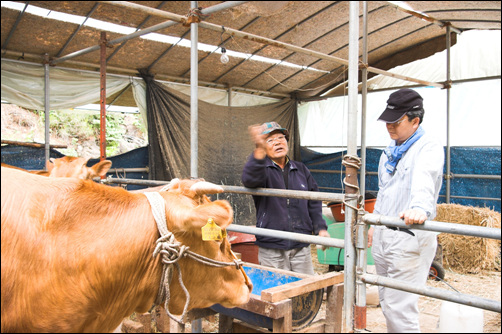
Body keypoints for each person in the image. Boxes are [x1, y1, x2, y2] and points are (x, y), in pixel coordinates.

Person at [368, 88, 445, 333]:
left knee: (401, 308)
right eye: (387, 120)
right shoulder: (389, 151)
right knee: (388, 303)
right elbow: (383, 190)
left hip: (408, 235)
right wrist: (373, 225)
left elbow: (425, 178)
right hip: (384, 234)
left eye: (396, 121)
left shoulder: (428, 148)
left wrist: (419, 208)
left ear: (415, 121)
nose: (390, 126)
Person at [242, 121, 329, 275]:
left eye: (280, 138)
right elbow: (249, 180)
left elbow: (314, 201)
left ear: (287, 141)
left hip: (301, 245)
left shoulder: (300, 169)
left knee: (303, 290)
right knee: (275, 291)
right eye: (270, 140)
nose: (277, 142)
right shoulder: (261, 169)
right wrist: (258, 154)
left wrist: (320, 228)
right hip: (272, 246)